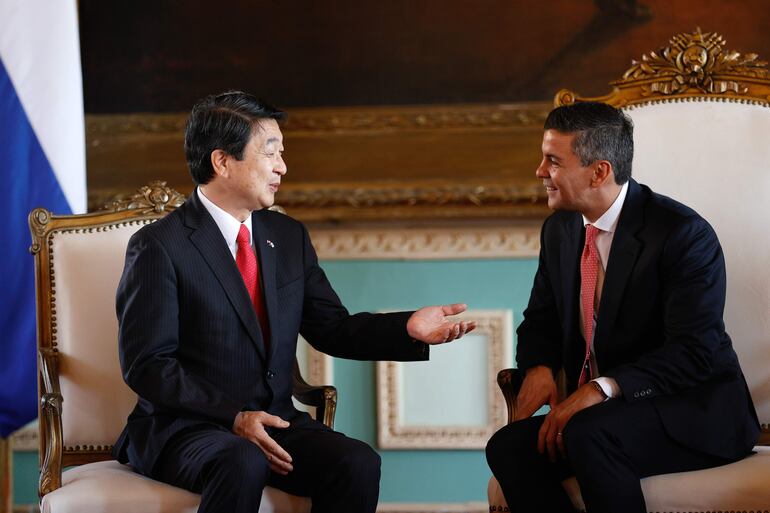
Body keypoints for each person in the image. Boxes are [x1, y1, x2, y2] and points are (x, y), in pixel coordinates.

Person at [112, 90, 476, 513]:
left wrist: (406, 326)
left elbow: (332, 328)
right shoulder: (159, 246)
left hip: (275, 421)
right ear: (222, 162)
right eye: (270, 152)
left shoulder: (287, 237)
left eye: (281, 153)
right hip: (185, 428)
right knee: (241, 460)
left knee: (357, 463)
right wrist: (234, 417)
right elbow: (148, 365)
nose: (282, 166)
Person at [485, 102, 759, 513]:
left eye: (553, 161)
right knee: (508, 446)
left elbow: (694, 351)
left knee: (589, 433)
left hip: (694, 411)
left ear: (599, 172)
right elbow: (541, 318)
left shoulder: (683, 234)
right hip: (609, 416)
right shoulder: (559, 229)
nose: (540, 171)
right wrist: (539, 366)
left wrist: (599, 389)